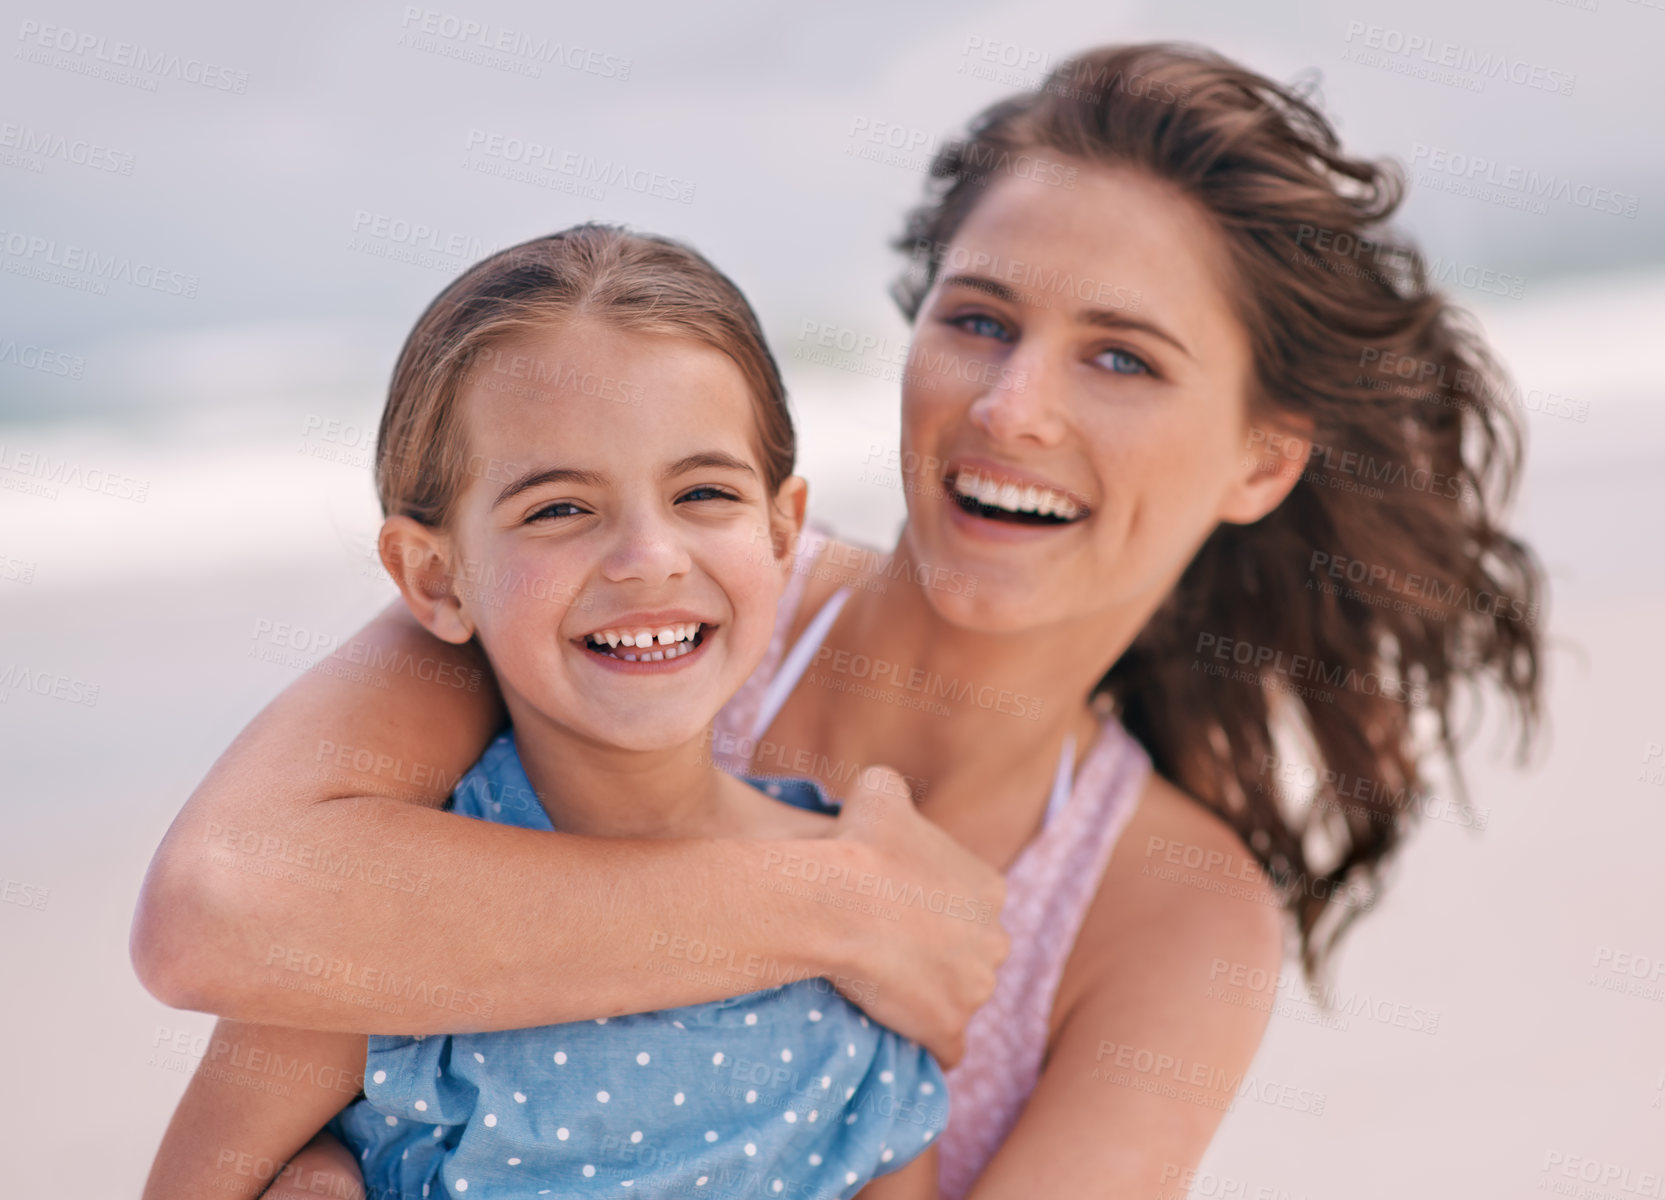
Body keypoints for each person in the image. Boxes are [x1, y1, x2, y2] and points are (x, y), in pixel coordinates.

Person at [133, 43, 1544, 1198]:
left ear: (1259, 460)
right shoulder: (615, 613)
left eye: (1121, 355)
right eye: (980, 320)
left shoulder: (1169, 914)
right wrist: (835, 902)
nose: (1011, 407)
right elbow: (212, 916)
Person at [141, 225, 955, 1200]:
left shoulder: (865, 948)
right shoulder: (362, 937)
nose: (649, 556)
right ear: (435, 578)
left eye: (703, 492)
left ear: (783, 532)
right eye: (559, 508)